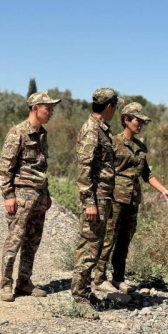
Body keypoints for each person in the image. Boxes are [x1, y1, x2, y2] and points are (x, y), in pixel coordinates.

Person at [94, 102, 168, 294]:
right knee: (108, 238)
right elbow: (101, 170)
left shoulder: (140, 147)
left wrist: (163, 190)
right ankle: (99, 278)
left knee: (124, 240)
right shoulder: (112, 142)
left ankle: (118, 278)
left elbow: (146, 174)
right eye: (137, 121)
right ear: (126, 120)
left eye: (142, 122)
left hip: (132, 200)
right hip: (115, 198)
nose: (140, 125)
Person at [0, 90, 61, 302]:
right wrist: (8, 195)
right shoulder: (18, 132)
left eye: (52, 108)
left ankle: (24, 282)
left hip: (39, 196)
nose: (51, 112)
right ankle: (6, 284)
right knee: (14, 240)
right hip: (21, 196)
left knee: (32, 242)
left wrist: (47, 193)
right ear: (35, 108)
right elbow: (5, 168)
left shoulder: (42, 134)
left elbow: (42, 167)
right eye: (47, 108)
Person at [71, 88, 122, 313]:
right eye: (116, 106)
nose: (116, 110)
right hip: (95, 199)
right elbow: (85, 168)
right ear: (109, 106)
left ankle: (85, 292)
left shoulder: (101, 129)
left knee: (95, 247)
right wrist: (89, 202)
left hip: (103, 198)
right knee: (88, 249)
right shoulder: (92, 130)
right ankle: (79, 298)